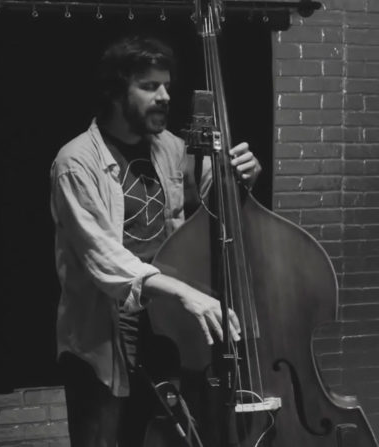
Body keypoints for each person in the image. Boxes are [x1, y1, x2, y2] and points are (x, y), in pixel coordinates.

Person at [49, 35, 261, 447]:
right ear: (115, 91)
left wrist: (241, 179)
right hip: (107, 336)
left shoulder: (169, 148)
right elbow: (104, 260)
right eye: (149, 86)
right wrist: (184, 292)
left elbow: (211, 205)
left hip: (164, 329)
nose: (165, 96)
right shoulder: (75, 163)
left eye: (166, 86)